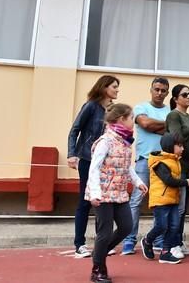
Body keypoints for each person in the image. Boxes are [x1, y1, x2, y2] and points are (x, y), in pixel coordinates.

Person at [85, 103, 147, 282]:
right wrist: (95, 192)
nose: (133, 121)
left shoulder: (125, 141)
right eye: (131, 118)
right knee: (105, 231)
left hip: (119, 192)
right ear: (121, 119)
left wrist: (137, 182)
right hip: (102, 194)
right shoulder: (105, 141)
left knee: (126, 226)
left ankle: (99, 252)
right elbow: (94, 168)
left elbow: (127, 167)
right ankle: (98, 268)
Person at [67, 74, 120, 258]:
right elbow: (75, 130)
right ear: (105, 87)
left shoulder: (113, 110)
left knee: (104, 201)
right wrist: (72, 154)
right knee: (85, 200)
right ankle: (79, 245)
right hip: (88, 159)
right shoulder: (90, 106)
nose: (117, 90)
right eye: (114, 86)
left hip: (107, 161)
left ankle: (102, 241)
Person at [122, 77, 170, 255]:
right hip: (144, 159)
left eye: (163, 90)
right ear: (151, 89)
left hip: (165, 161)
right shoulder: (140, 108)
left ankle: (157, 240)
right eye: (156, 89)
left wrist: (155, 126)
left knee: (161, 202)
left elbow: (170, 131)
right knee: (136, 201)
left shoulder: (170, 110)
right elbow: (145, 123)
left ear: (167, 92)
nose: (159, 93)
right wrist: (162, 126)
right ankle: (129, 240)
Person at [141, 133, 189, 264]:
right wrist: (185, 182)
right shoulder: (159, 162)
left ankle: (165, 252)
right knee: (161, 225)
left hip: (173, 199)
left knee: (174, 226)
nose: (182, 149)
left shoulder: (175, 161)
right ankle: (147, 240)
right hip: (160, 199)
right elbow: (168, 180)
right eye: (180, 146)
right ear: (170, 146)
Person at [165, 84, 189, 257]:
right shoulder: (173, 115)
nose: (188, 97)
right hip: (180, 166)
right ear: (175, 99)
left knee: (183, 207)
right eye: (184, 94)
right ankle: (172, 245)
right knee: (177, 208)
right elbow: (178, 140)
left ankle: (178, 241)